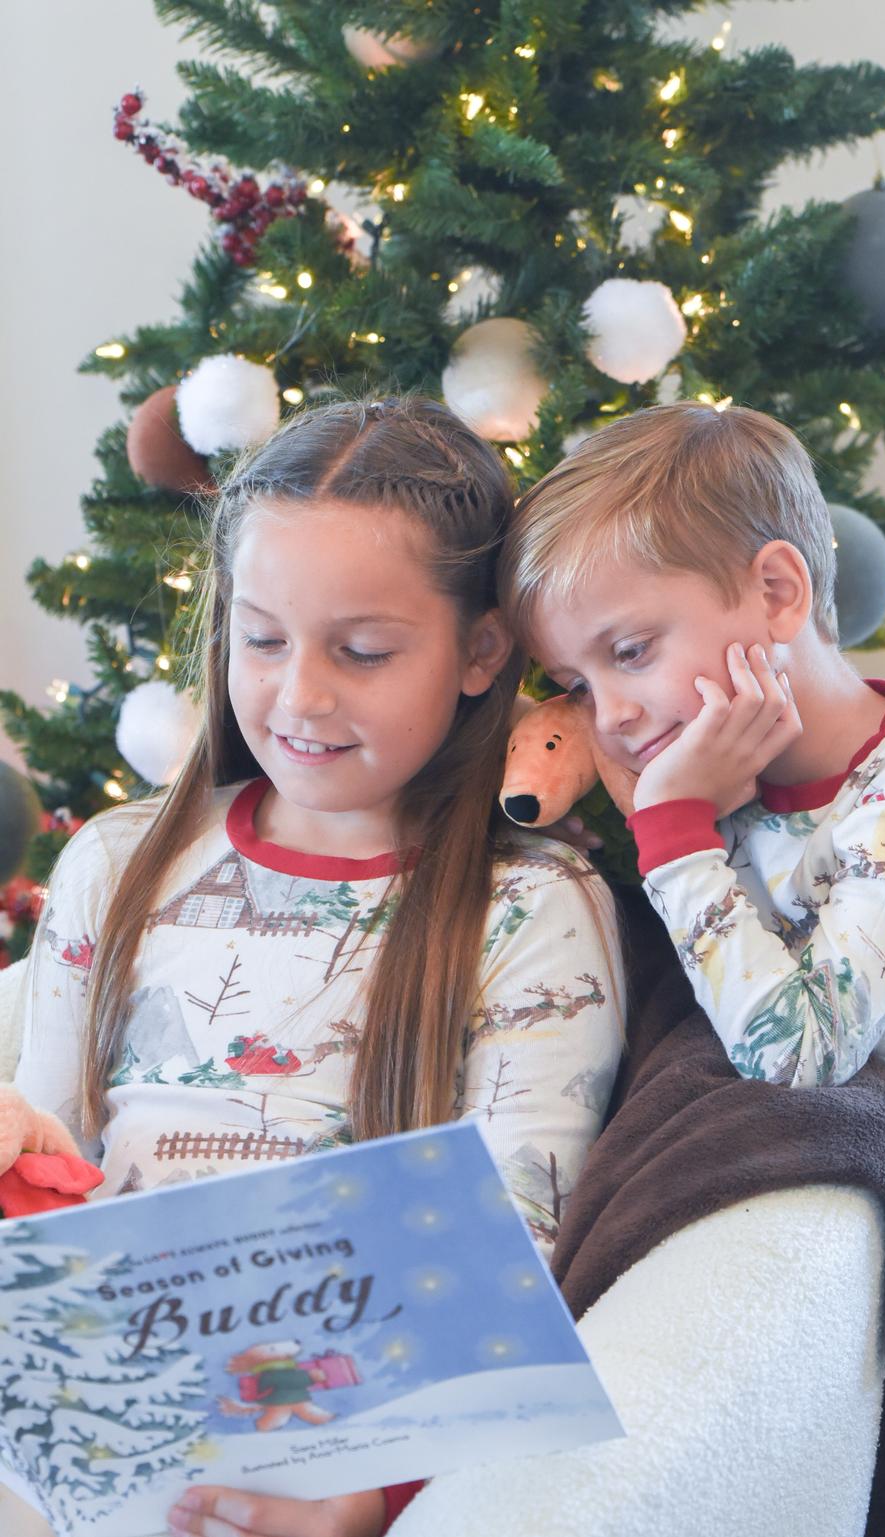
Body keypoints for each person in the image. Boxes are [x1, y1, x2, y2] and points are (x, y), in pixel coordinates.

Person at [9, 397, 624, 1537]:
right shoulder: (113, 861)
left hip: (338, 1445)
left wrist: (367, 1499)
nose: (299, 695)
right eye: (262, 637)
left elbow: (512, 1261)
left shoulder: (533, 909)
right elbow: (44, 1181)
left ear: (481, 649)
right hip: (92, 1427)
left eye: (363, 650)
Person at [499, 400, 885, 1534]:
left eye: (630, 652)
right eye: (577, 686)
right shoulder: (725, 795)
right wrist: (679, 827)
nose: (615, 716)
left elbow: (797, 1048)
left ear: (778, 594)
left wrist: (677, 829)